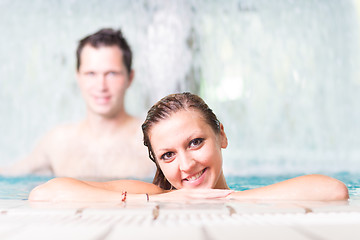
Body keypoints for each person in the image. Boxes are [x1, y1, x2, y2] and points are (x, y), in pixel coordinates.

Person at [28, 92, 349, 202]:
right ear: (157, 161)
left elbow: (333, 191)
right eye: (168, 155)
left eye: (195, 143)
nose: (186, 165)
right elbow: (46, 193)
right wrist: (169, 202)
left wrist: (225, 200)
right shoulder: (156, 196)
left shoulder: (246, 193)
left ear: (221, 135)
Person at [1, 28, 154, 179]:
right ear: (78, 77)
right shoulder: (57, 142)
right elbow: (8, 176)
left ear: (130, 77)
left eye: (112, 74)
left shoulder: (153, 140)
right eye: (91, 74)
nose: (101, 86)